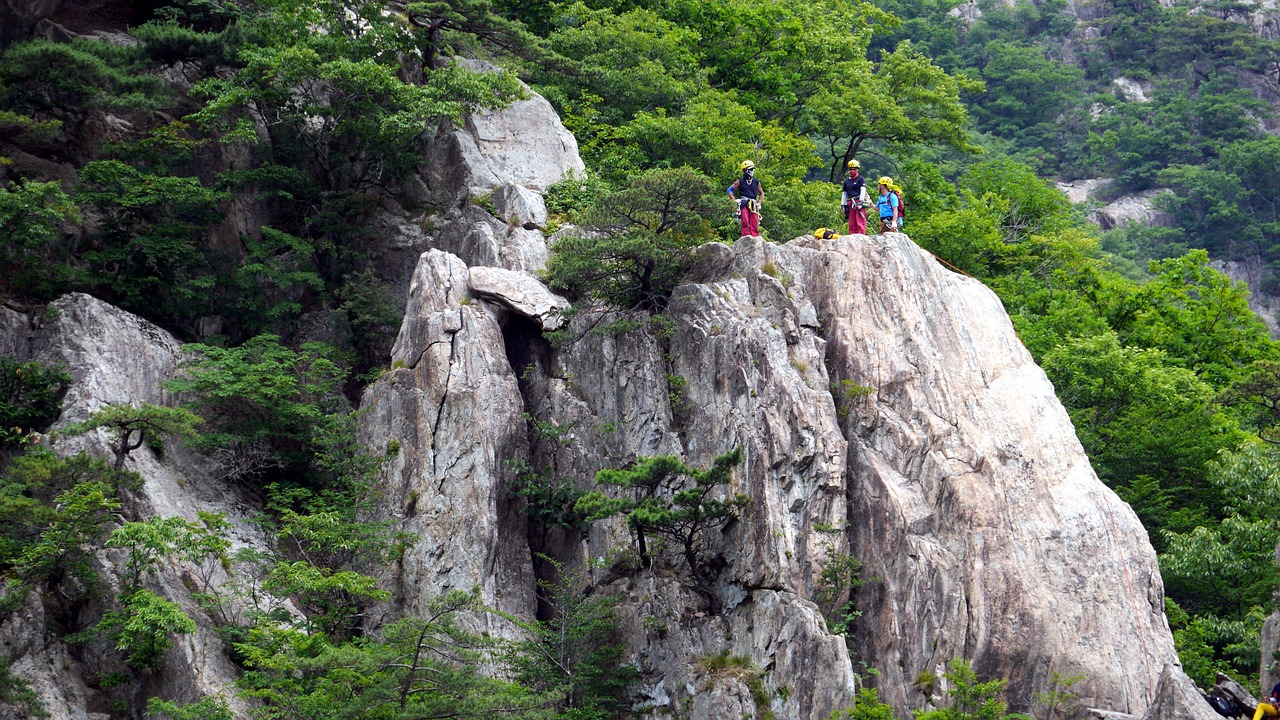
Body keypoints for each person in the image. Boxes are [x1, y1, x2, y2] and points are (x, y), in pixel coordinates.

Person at [728, 159, 763, 238]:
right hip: (743, 203)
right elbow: (729, 190)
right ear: (745, 170)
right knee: (745, 222)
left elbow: (761, 193)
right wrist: (734, 200)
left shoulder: (756, 182)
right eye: (750, 169)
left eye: (752, 169)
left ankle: (755, 238)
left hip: (753, 204)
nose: (752, 171)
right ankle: (745, 238)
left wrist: (759, 203)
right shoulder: (740, 182)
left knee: (754, 223)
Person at [841, 159, 869, 234]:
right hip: (850, 203)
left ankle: (861, 235)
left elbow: (863, 190)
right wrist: (843, 205)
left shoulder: (860, 179)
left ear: (857, 169)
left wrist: (861, 201)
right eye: (851, 169)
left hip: (858, 201)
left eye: (854, 169)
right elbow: (844, 193)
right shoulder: (846, 181)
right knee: (852, 222)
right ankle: (852, 235)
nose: (852, 171)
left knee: (860, 221)